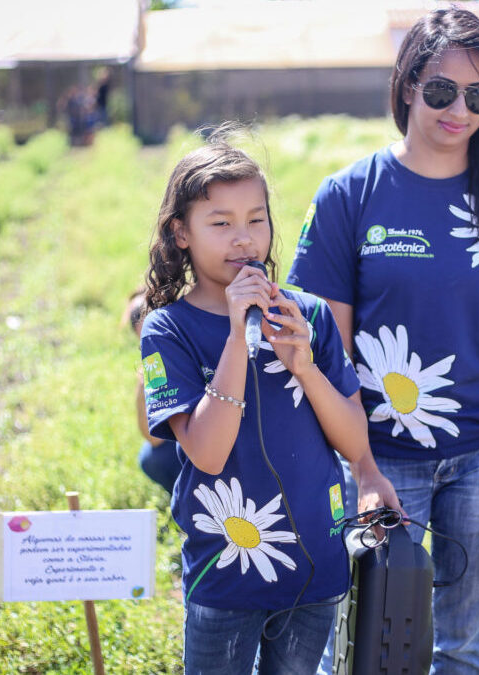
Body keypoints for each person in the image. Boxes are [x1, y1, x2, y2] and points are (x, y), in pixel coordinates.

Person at [287, 9, 479, 674]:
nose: (458, 109)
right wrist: (361, 465)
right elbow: (330, 350)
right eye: (440, 90)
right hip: (380, 457)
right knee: (356, 646)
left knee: (460, 646)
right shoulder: (349, 196)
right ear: (406, 85)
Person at [140, 132, 369, 674]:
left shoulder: (307, 316)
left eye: (256, 219)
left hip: (314, 567)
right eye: (220, 223)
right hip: (225, 573)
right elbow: (208, 454)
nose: (243, 240)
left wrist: (305, 367)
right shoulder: (167, 330)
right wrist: (238, 338)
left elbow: (356, 442)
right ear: (182, 233)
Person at [122, 288, 179, 495]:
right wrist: (142, 389)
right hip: (189, 439)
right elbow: (153, 438)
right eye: (136, 317)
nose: (142, 320)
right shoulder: (153, 362)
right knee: (151, 458)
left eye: (147, 310)